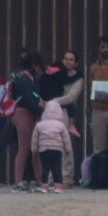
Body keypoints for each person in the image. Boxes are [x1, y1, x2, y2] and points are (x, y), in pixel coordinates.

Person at [40, 51, 85, 185]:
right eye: (65, 59)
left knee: (65, 145)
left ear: (76, 63)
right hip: (49, 112)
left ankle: (66, 178)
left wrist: (53, 101)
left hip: (64, 112)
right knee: (49, 144)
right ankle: (52, 178)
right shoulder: (57, 74)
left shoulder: (78, 78)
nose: (67, 62)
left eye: (71, 60)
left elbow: (71, 97)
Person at [8, 51, 46, 193]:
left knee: (33, 149)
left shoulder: (21, 77)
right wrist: (44, 112)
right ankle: (19, 182)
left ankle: (39, 180)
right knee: (25, 148)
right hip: (24, 114)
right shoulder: (25, 78)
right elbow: (30, 101)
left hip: (25, 114)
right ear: (35, 65)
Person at [32, 101, 72, 193]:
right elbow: (66, 139)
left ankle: (44, 186)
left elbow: (34, 138)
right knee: (57, 167)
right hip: (57, 150)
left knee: (45, 168)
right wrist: (68, 150)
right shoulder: (61, 125)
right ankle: (58, 186)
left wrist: (34, 149)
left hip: (44, 149)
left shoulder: (40, 125)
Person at [88, 35, 108, 154]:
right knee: (98, 147)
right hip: (97, 110)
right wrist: (99, 97)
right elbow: (91, 88)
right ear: (99, 49)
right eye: (103, 47)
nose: (105, 50)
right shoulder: (93, 68)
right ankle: (98, 172)